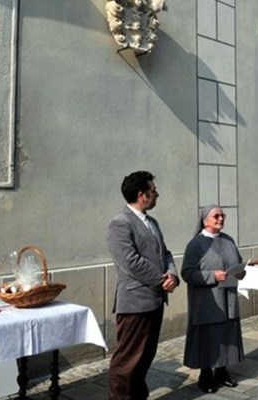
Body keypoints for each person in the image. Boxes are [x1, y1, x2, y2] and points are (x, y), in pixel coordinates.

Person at [107, 171, 179, 400]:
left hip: (155, 300)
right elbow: (130, 262)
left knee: (145, 356)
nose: (157, 193)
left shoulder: (151, 222)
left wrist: (172, 275)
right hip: (135, 302)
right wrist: (161, 280)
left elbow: (165, 253)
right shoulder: (120, 223)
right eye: (153, 189)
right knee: (127, 360)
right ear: (142, 195)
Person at [181, 204, 246, 394]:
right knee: (209, 337)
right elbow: (187, 273)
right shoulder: (195, 244)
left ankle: (222, 372)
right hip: (208, 300)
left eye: (223, 215)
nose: (221, 219)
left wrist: (241, 273)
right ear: (205, 220)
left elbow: (238, 262)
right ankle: (206, 374)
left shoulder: (228, 240)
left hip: (229, 297)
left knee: (226, 334)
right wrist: (212, 276)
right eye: (216, 216)